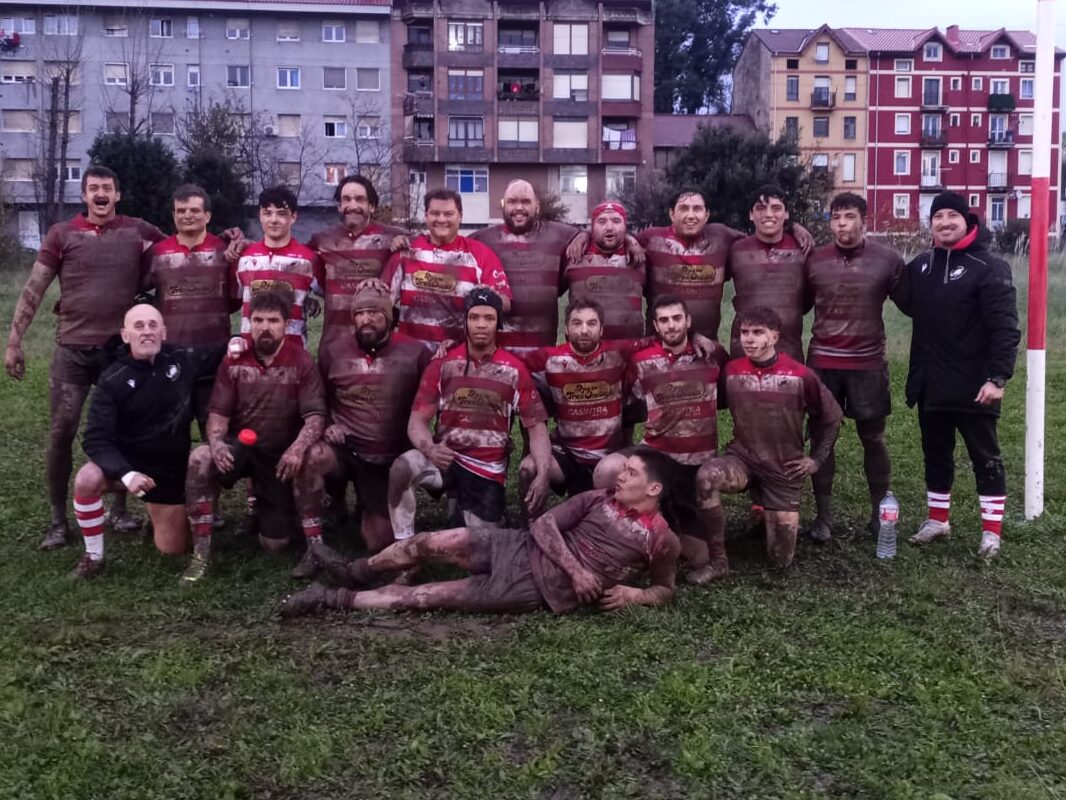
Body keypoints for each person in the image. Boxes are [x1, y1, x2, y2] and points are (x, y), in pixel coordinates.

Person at [280, 447, 681, 617]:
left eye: (630, 473)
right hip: (518, 545)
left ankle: (330, 598)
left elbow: (665, 588)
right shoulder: (597, 499)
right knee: (426, 542)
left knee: (425, 596)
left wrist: (636, 595)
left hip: (534, 588)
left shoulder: (661, 539)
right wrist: (577, 571)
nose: (619, 476)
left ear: (653, 489)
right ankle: (355, 570)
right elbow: (543, 523)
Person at [5, 166, 165, 549]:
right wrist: (14, 340)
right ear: (84, 195)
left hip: (120, 351)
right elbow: (35, 287)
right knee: (61, 432)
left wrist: (230, 241)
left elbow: (179, 248)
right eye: (93, 188)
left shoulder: (138, 231)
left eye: (107, 188)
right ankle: (58, 522)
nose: (100, 194)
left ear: (118, 194)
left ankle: (120, 510)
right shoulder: (62, 234)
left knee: (125, 430)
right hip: (72, 351)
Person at [896, 191, 1020, 558]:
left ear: (967, 220)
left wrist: (998, 377)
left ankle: (991, 533)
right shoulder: (922, 265)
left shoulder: (989, 266)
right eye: (938, 216)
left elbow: (1005, 328)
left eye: (952, 215)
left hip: (974, 384)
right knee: (935, 453)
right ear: (931, 223)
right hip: (931, 382)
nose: (945, 222)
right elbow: (904, 299)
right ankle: (938, 521)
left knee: (985, 457)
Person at [182, 290, 326, 582]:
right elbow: (218, 414)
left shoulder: (301, 362)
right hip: (241, 448)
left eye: (273, 321)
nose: (265, 327)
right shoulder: (233, 361)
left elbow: (315, 417)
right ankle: (200, 555)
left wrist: (297, 448)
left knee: (275, 545)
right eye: (258, 320)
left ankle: (270, 512)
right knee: (200, 458)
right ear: (249, 323)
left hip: (278, 457)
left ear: (287, 324)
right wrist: (217, 443)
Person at [388, 288, 552, 535]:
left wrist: (543, 473)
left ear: (499, 324)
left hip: (486, 470)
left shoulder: (515, 370)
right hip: (445, 460)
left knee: (478, 546)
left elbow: (537, 429)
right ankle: (403, 544)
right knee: (402, 467)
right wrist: (430, 449)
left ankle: (466, 511)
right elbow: (416, 422)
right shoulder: (443, 365)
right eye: (474, 317)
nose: (481, 325)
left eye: (489, 318)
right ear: (464, 322)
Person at [696, 307, 842, 572]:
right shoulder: (731, 371)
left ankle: (770, 513)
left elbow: (832, 417)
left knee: (779, 560)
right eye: (744, 333)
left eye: (758, 332)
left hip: (783, 469)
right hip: (743, 460)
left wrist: (816, 460)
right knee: (707, 477)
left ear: (775, 336)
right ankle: (718, 558)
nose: (749, 339)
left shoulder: (800, 375)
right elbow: (710, 400)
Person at [595, 295, 729, 583]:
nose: (671, 325)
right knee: (607, 469)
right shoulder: (642, 360)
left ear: (688, 321)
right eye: (664, 320)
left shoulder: (712, 354)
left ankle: (665, 528)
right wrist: (625, 447)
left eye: (677, 318)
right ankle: (617, 535)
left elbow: (731, 392)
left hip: (697, 464)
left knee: (698, 557)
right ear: (655, 325)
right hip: (657, 458)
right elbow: (626, 404)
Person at [69, 305, 208, 578]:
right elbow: (96, 439)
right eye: (139, 326)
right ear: (125, 335)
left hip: (168, 472)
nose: (147, 332)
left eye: (153, 325)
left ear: (163, 332)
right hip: (129, 466)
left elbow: (218, 351)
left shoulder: (182, 359)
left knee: (172, 549)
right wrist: (127, 473)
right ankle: (93, 556)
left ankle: (155, 515)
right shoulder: (112, 379)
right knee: (86, 479)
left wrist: (238, 342)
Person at [300, 279, 431, 561]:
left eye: (374, 312)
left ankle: (367, 506)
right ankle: (314, 545)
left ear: (389, 316)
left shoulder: (416, 353)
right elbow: (320, 398)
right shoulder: (334, 351)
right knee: (313, 457)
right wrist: (329, 424)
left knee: (378, 541)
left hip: (386, 458)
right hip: (346, 449)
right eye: (359, 313)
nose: (366, 319)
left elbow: (430, 402)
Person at [804, 192, 906, 541]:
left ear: (864, 220)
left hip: (868, 363)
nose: (842, 224)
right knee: (822, 439)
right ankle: (823, 518)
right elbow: (798, 304)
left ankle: (879, 515)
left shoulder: (888, 260)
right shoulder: (814, 260)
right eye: (836, 218)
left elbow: (913, 304)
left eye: (849, 217)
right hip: (823, 362)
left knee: (873, 438)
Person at [518, 298, 634, 504]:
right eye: (577, 323)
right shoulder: (551, 358)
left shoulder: (618, 353)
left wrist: (693, 341)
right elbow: (508, 364)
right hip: (568, 454)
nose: (584, 330)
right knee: (528, 468)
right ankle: (530, 521)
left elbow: (656, 345)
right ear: (566, 329)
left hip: (609, 454)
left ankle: (612, 507)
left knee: (599, 504)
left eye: (591, 323)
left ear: (601, 329)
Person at [147, 184, 239, 434]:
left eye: (194, 210)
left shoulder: (225, 252)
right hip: (171, 355)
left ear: (207, 215)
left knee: (216, 432)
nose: (187, 215)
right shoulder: (157, 253)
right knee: (171, 433)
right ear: (173, 215)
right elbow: (140, 291)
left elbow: (235, 301)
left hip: (215, 356)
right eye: (181, 211)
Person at [382, 188, 511, 351]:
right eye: (435, 213)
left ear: (460, 216)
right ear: (426, 215)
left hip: (459, 355)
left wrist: (490, 297)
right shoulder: (406, 252)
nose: (441, 219)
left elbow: (506, 303)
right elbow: (382, 301)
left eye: (448, 214)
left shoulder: (480, 254)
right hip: (411, 354)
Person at [468, 180, 579, 356]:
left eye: (526, 201)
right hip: (496, 354)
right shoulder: (481, 239)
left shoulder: (560, 235)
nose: (519, 207)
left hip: (542, 353)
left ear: (537, 206)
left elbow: (593, 236)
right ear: (503, 205)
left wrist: (583, 237)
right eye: (512, 201)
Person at [308, 175, 407, 350]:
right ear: (339, 206)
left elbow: (425, 250)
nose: (352, 205)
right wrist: (305, 298)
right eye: (346, 199)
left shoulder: (392, 238)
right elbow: (295, 262)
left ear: (372, 206)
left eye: (359, 199)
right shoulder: (322, 240)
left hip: (379, 345)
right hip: (334, 345)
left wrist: (405, 243)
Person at [235, 186, 323, 349]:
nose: (274, 220)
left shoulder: (309, 259)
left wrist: (307, 301)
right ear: (260, 215)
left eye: (281, 213)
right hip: (251, 353)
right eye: (267, 213)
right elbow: (233, 299)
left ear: (293, 217)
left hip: (293, 354)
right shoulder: (244, 256)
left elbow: (330, 294)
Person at [727, 185, 807, 361]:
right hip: (744, 353)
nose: (769, 214)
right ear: (751, 214)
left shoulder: (803, 250)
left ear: (786, 214)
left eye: (776, 208)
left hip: (790, 352)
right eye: (761, 208)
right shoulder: (735, 250)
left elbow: (809, 300)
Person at [563, 201, 646, 341]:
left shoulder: (640, 257)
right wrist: (584, 235)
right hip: (584, 347)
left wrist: (631, 240)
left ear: (625, 226)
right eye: (601, 221)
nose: (609, 227)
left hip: (630, 349)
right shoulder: (573, 254)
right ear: (592, 227)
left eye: (616, 221)